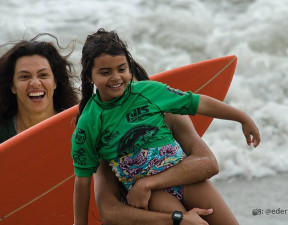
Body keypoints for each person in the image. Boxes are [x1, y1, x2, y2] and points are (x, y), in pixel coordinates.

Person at [72, 28, 260, 225]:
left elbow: (196, 102)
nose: (116, 77)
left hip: (184, 178)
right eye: (105, 72)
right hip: (152, 195)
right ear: (88, 76)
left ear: (129, 67)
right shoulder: (89, 122)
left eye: (121, 69)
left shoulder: (149, 92)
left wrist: (242, 117)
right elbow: (82, 180)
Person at [94, 62, 239, 225]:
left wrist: (147, 183)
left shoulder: (167, 112)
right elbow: (108, 211)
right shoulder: (106, 135)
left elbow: (209, 163)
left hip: (180, 184)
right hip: (147, 201)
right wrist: (178, 219)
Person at [0, 34, 79, 143]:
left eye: (43, 75)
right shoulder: (3, 132)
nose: (35, 83)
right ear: (12, 86)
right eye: (24, 76)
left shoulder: (80, 127)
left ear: (55, 82)